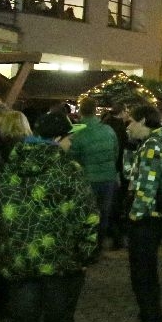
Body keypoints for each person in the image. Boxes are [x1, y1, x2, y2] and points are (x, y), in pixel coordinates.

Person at [0, 113, 98, 322]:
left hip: (20, 264)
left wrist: (2, 253)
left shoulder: (11, 167)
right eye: (69, 137)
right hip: (61, 265)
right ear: (58, 139)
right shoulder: (68, 169)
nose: (72, 142)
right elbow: (86, 216)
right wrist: (85, 255)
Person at [121, 104, 162, 322]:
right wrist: (130, 148)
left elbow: (147, 186)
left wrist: (134, 215)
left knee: (144, 276)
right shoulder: (149, 144)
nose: (128, 126)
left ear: (143, 120)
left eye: (131, 121)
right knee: (141, 274)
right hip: (149, 216)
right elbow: (129, 174)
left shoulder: (154, 145)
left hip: (147, 218)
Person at [69, 97, 120, 254]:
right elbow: (115, 152)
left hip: (87, 178)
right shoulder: (108, 130)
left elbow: (72, 156)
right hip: (108, 177)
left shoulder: (76, 130)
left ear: (80, 111)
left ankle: (86, 247)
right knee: (103, 214)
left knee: (86, 214)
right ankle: (98, 246)